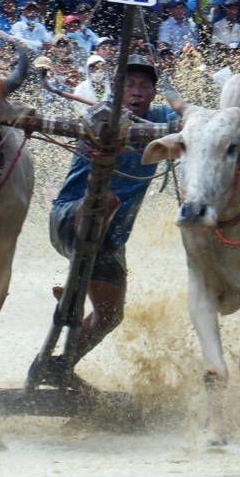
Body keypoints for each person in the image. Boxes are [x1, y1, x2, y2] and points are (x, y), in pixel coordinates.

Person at [38, 57, 178, 389]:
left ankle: (59, 367)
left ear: (153, 93)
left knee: (110, 316)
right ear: (116, 90)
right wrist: (115, 131)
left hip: (110, 240)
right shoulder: (99, 116)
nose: (137, 91)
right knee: (108, 200)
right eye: (129, 84)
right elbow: (92, 129)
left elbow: (190, 121)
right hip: (70, 218)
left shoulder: (161, 117)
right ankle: (73, 287)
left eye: (144, 86)